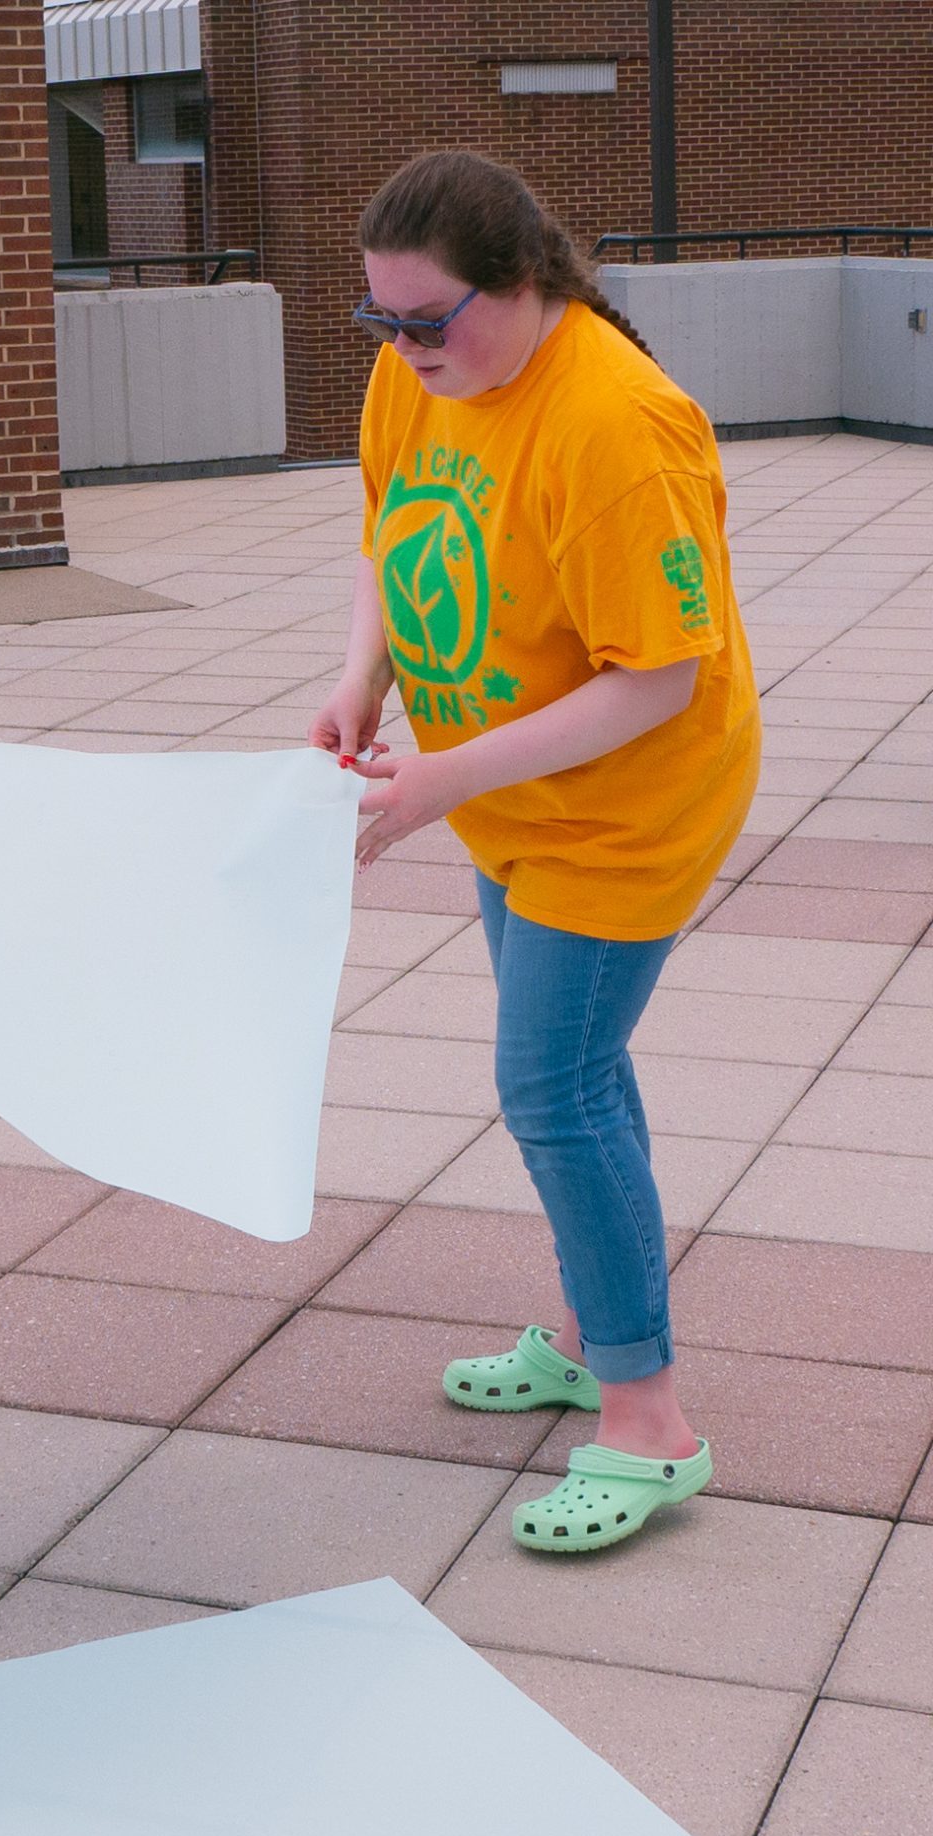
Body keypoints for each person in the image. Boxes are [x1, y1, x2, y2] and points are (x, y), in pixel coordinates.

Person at [311, 151, 760, 1553]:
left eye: (429, 321)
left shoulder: (620, 426)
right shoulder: (422, 371)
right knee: (573, 1070)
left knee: (549, 1082)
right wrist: (362, 681)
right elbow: (395, 529)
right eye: (378, 321)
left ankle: (650, 1419)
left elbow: (656, 681)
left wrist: (436, 779)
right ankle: (591, 1330)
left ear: (524, 286)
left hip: (625, 806)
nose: (402, 349)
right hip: (508, 790)